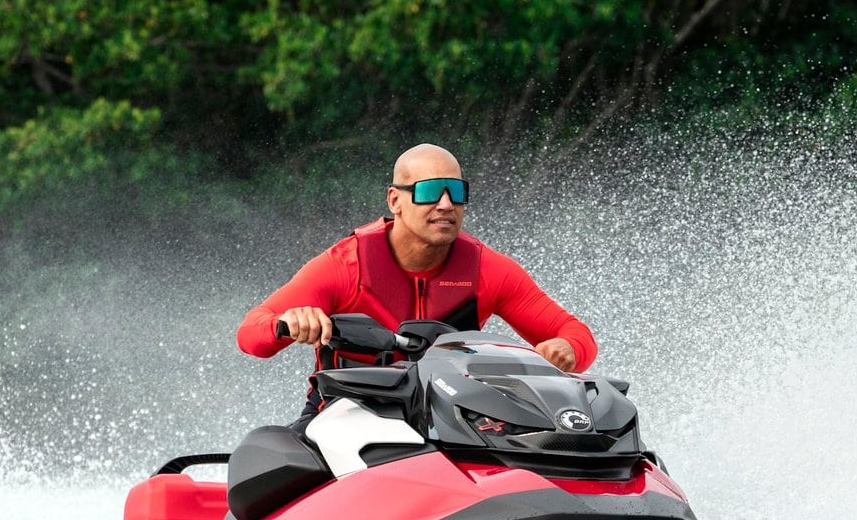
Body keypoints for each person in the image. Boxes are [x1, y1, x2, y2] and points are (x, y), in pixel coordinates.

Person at [237, 143, 597, 430]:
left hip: (454, 423)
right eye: (429, 192)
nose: (446, 204)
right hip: (344, 416)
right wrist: (287, 323)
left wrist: (566, 349)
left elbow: (576, 335)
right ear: (395, 200)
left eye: (456, 192)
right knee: (268, 453)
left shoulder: (489, 271)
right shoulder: (343, 267)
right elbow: (251, 334)